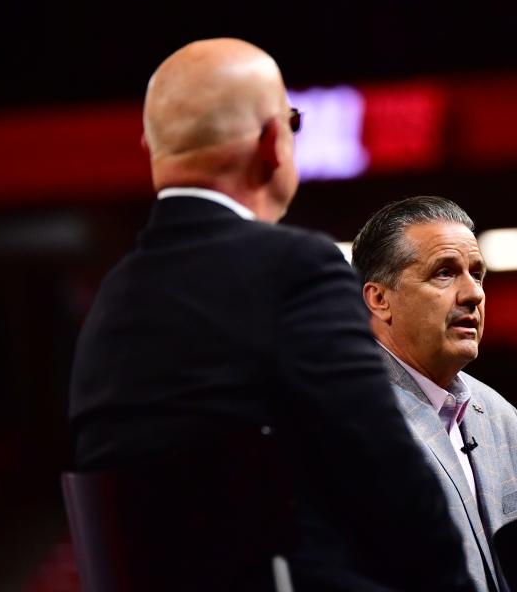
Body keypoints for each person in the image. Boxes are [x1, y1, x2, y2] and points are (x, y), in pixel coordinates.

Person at [68, 40, 474, 592]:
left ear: (150, 146)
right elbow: (392, 487)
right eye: (293, 123)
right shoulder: (295, 268)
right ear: (271, 143)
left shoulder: (109, 301)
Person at [352, 196, 517, 592]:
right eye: (444, 273)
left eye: (477, 274)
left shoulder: (501, 416)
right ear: (379, 299)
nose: (473, 294)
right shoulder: (347, 421)